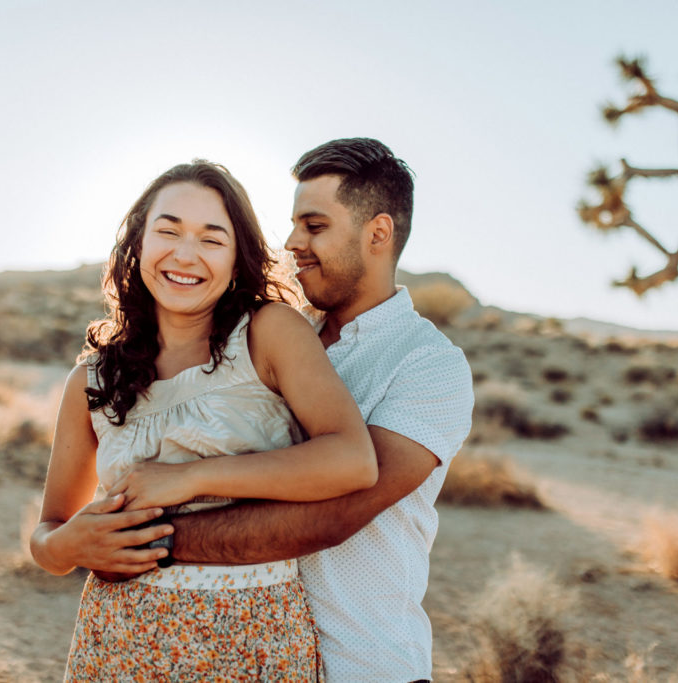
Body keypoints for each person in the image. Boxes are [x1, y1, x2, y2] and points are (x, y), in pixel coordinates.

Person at [112, 138, 475, 681]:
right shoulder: (267, 335)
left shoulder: (429, 365)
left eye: (314, 225)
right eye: (293, 224)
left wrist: (144, 542)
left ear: (378, 233)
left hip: (360, 665)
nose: (292, 242)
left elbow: (334, 516)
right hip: (244, 659)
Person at [29, 160, 378, 681]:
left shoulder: (268, 333)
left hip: (253, 638)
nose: (185, 255)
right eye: (167, 231)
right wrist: (65, 546)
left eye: (212, 240)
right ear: (138, 245)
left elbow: (353, 460)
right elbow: (50, 532)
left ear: (238, 259)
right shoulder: (91, 380)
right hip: (119, 641)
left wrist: (190, 477)